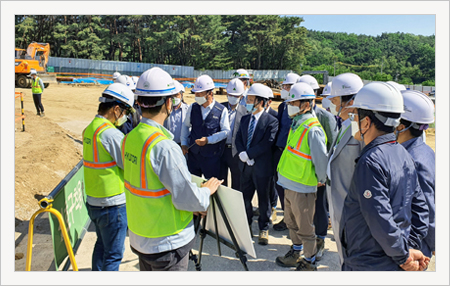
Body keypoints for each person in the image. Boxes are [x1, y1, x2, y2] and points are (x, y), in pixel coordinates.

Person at [122, 67, 223, 271]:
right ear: (168, 102)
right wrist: (206, 191)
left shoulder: (129, 139)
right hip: (167, 241)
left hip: (140, 236)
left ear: (139, 102)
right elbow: (187, 198)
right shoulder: (164, 147)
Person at [340, 82, 430, 271]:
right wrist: (408, 247)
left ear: (366, 122)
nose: (353, 121)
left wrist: (403, 255)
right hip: (390, 258)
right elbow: (421, 208)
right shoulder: (403, 153)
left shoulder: (371, 161)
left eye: (355, 116)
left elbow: (379, 216)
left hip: (369, 261)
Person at [82, 83, 136, 271]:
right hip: (112, 204)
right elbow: (128, 165)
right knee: (113, 255)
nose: (126, 117)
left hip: (94, 200)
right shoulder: (111, 134)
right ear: (116, 109)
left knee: (102, 246)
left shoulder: (91, 129)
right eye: (125, 112)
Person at [275, 82, 328, 271]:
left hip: (303, 187)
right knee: (291, 222)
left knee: (305, 228)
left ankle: (310, 261)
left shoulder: (313, 129)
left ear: (307, 104)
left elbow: (321, 159)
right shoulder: (297, 123)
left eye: (294, 102)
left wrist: (322, 179)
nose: (290, 106)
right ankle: (296, 252)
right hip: (289, 183)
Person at [324, 73, 364, 265]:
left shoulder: (362, 130)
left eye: (335, 99)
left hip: (350, 203)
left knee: (350, 251)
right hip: (337, 198)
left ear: (351, 100)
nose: (332, 103)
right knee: (342, 249)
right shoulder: (346, 123)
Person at [298, 74, 338, 259]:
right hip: (302, 174)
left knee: (320, 208)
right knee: (304, 209)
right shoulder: (298, 116)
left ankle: (320, 239)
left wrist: (323, 175)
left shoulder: (325, 117)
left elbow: (331, 148)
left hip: (319, 176)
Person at [235, 83, 278, 245]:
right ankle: (245, 226)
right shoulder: (245, 119)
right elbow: (238, 138)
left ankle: (263, 228)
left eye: (251, 99)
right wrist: (242, 154)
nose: (247, 101)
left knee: (263, 199)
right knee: (245, 198)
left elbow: (268, 142)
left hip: (262, 167)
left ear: (260, 101)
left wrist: (251, 154)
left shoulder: (271, 121)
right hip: (245, 166)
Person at [396, 90, 435, 260]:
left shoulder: (412, 160)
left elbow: (428, 208)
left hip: (414, 244)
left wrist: (434, 243)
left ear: (402, 126)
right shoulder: (424, 150)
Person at [180, 75, 230, 179]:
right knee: (193, 185)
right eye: (196, 93)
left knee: (211, 186)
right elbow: (185, 126)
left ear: (210, 94)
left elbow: (226, 131)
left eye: (200, 93)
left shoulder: (221, 110)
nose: (196, 96)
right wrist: (184, 143)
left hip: (211, 157)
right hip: (194, 156)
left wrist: (208, 140)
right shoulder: (192, 108)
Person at [272, 72, 301, 232]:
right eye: (284, 86)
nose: (284, 89)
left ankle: (298, 220)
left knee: (294, 188)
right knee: (280, 185)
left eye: (288, 86)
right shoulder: (283, 106)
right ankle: (287, 217)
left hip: (295, 155)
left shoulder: (301, 108)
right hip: (280, 151)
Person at [219, 78, 248, 191]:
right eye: (230, 95)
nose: (233, 98)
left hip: (236, 152)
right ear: (226, 94)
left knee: (237, 182)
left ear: (241, 96)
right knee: (221, 181)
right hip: (221, 150)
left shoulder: (245, 112)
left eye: (236, 96)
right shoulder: (219, 108)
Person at [164, 80, 189, 147]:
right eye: (172, 96)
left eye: (176, 95)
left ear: (181, 95)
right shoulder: (164, 110)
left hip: (183, 146)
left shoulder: (188, 110)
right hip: (168, 145)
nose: (174, 98)